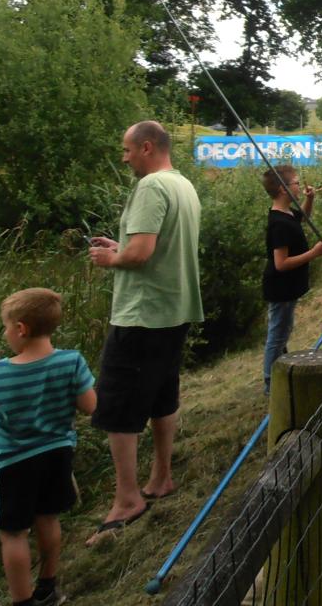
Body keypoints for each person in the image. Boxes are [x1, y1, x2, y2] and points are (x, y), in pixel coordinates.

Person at [87, 120, 201, 544]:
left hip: (142, 314)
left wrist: (111, 258)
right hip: (175, 309)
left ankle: (128, 498)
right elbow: (161, 248)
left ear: (147, 147)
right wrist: (121, 249)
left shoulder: (152, 187)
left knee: (119, 409)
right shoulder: (183, 185)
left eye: (128, 150)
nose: (125, 157)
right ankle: (161, 478)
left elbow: (141, 253)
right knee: (161, 395)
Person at [0, 288, 97, 606]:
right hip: (58, 455)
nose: (6, 334)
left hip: (13, 464)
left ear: (20, 328)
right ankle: (47, 588)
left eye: (6, 327)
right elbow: (90, 406)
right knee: (48, 518)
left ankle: (22, 602)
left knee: (12, 533)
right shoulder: (72, 361)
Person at [261, 165, 322, 393]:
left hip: (288, 289)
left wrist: (309, 200)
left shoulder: (287, 214)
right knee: (278, 335)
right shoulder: (279, 224)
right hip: (280, 289)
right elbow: (280, 263)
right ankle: (271, 383)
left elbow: (301, 218)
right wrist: (314, 253)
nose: (299, 186)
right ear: (283, 190)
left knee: (283, 330)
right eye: (295, 183)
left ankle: (280, 373)